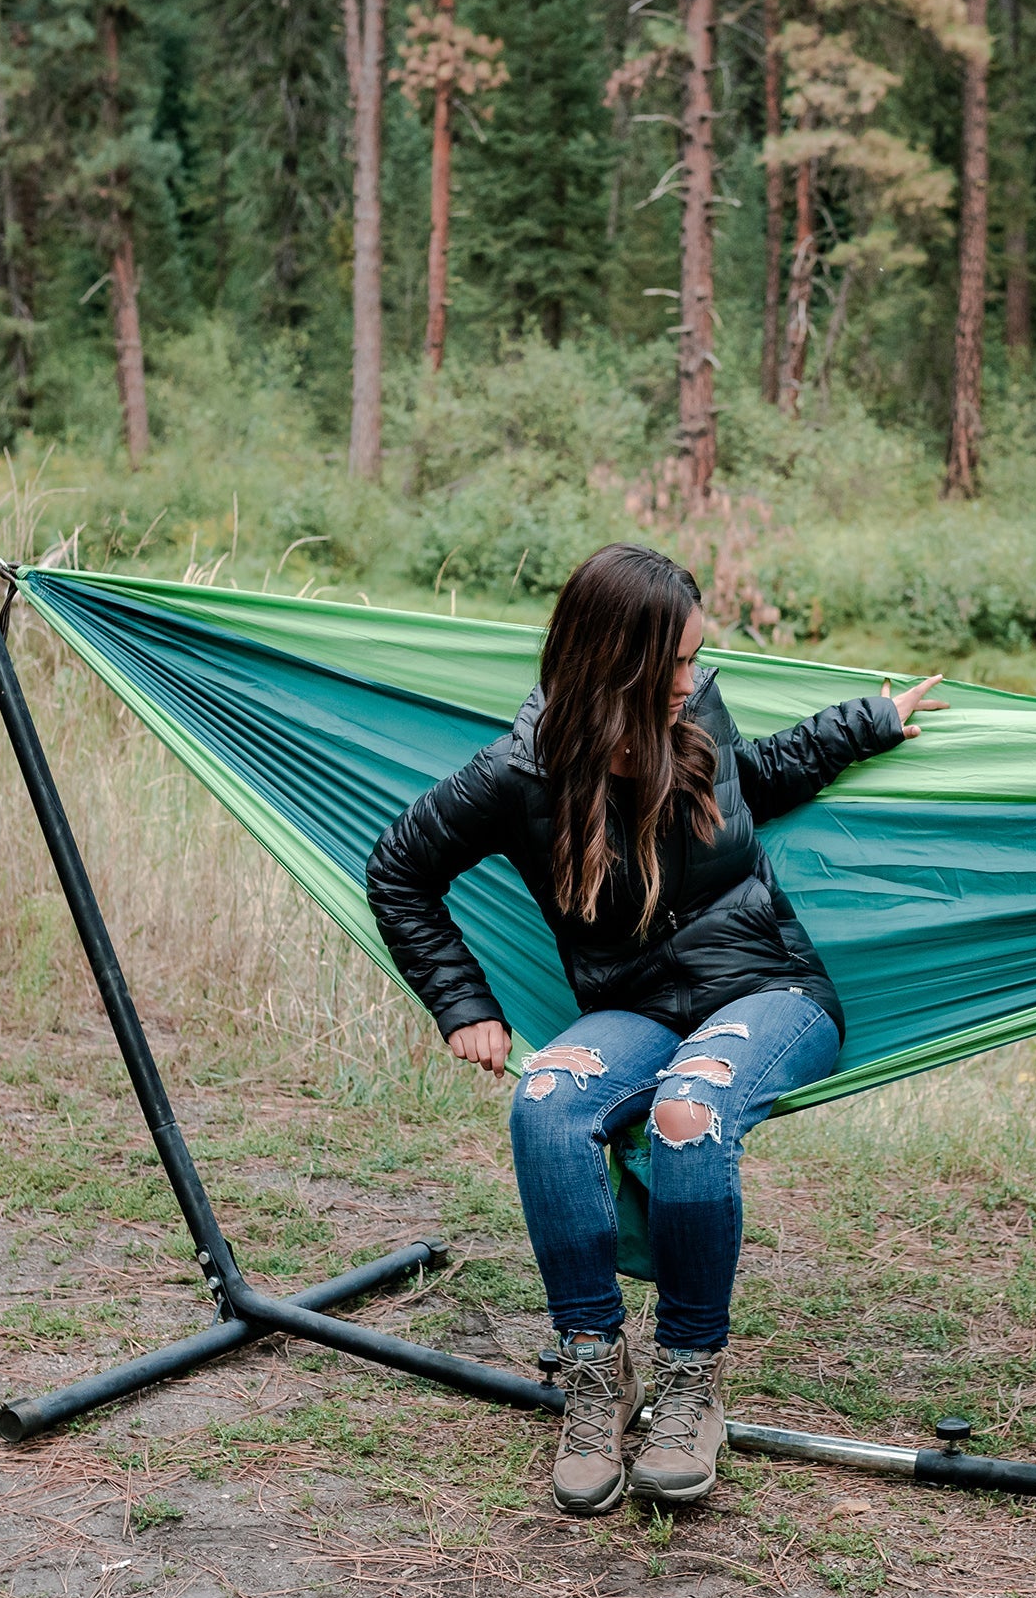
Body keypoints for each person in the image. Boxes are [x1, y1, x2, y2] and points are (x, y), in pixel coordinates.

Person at [367, 544, 943, 1514]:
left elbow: (749, 779)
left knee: (689, 1111)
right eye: (671, 666)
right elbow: (399, 871)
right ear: (611, 665)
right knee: (547, 1106)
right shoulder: (521, 772)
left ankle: (689, 1379)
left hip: (769, 989)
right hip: (631, 1005)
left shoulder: (694, 713)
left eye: (694, 659)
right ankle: (597, 1371)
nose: (691, 681)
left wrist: (865, 723)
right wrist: (462, 1003)